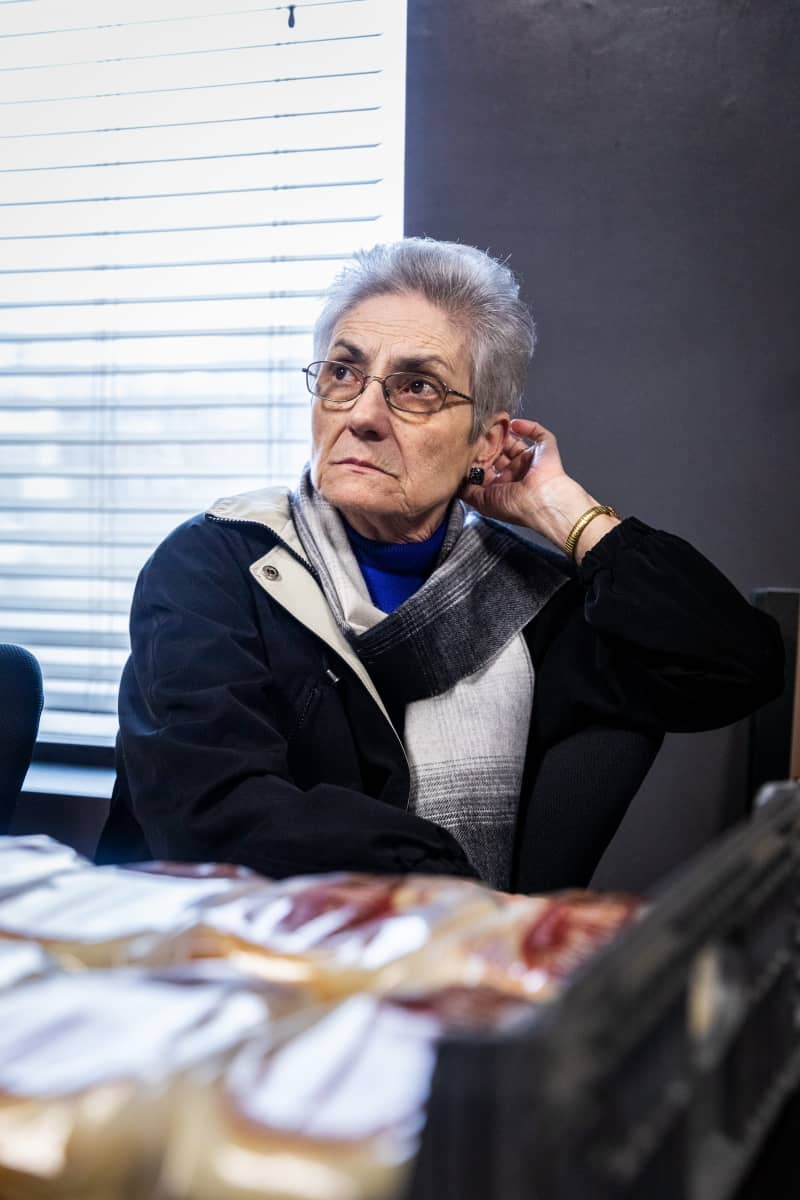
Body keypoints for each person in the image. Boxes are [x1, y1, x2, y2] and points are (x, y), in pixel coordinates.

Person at [96, 238, 784, 892]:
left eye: (417, 386)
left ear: (487, 437)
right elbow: (211, 815)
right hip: (228, 971)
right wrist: (450, 887)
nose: (363, 414)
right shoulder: (217, 567)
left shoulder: (533, 603)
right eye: (343, 371)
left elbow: (735, 665)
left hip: (468, 991)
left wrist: (562, 511)